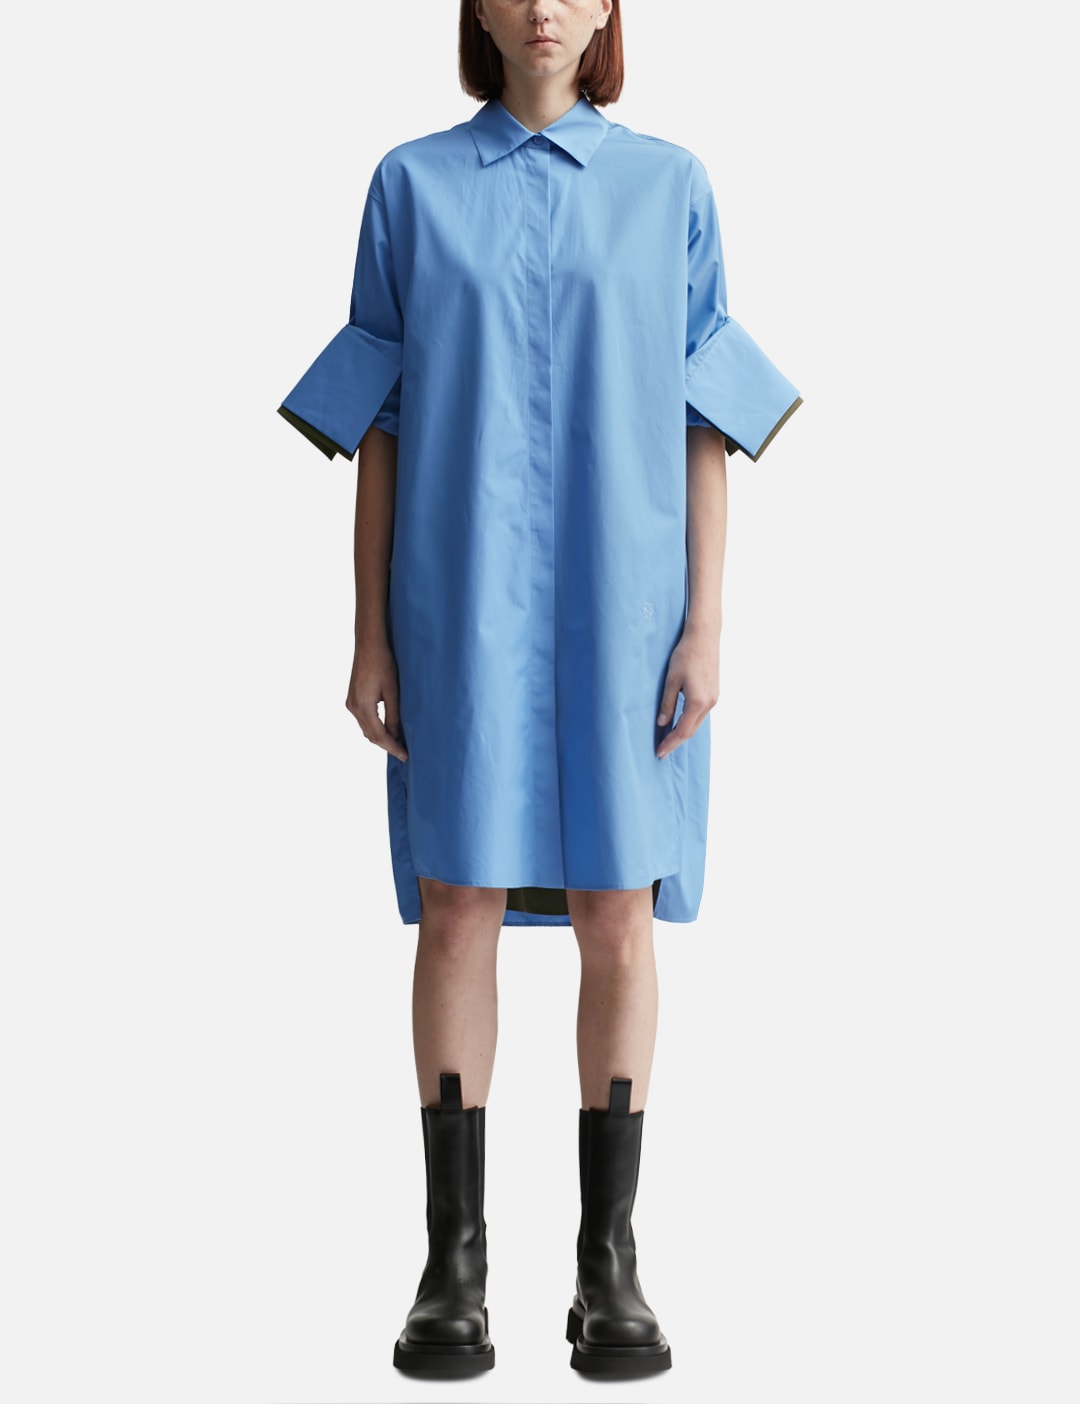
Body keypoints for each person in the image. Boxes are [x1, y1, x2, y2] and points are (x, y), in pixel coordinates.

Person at [277, 0, 801, 1379]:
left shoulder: (672, 187)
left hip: (629, 615)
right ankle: (452, 1268)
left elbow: (706, 420)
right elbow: (380, 428)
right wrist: (370, 635)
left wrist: (707, 625)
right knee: (458, 901)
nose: (542, 8)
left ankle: (608, 1264)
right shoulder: (409, 187)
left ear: (611, 5)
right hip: (458, 608)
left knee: (617, 908)